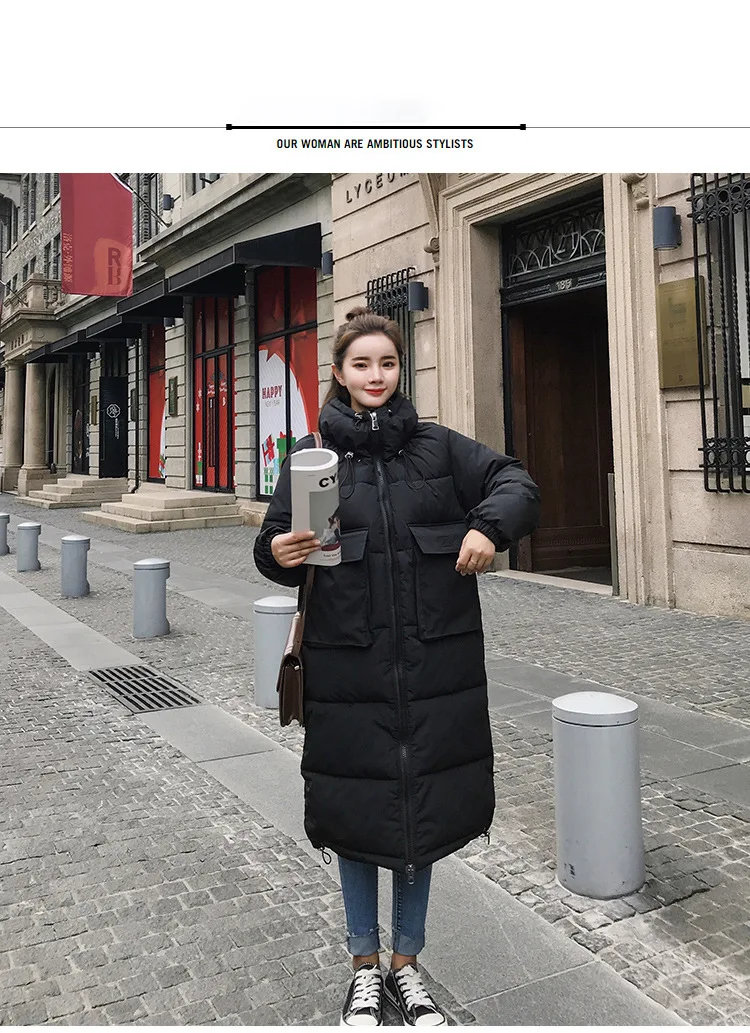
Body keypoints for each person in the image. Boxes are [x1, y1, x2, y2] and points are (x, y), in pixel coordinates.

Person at [254, 308, 540, 1026]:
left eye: (386, 362)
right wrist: (278, 552)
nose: (375, 375)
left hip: (434, 669)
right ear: (340, 373)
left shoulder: (439, 448)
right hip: (347, 674)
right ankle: (363, 967)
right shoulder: (311, 457)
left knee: (420, 822)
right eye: (362, 364)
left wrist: (487, 527)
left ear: (399, 369)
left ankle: (406, 968)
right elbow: (274, 544)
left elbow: (516, 481)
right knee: (356, 818)